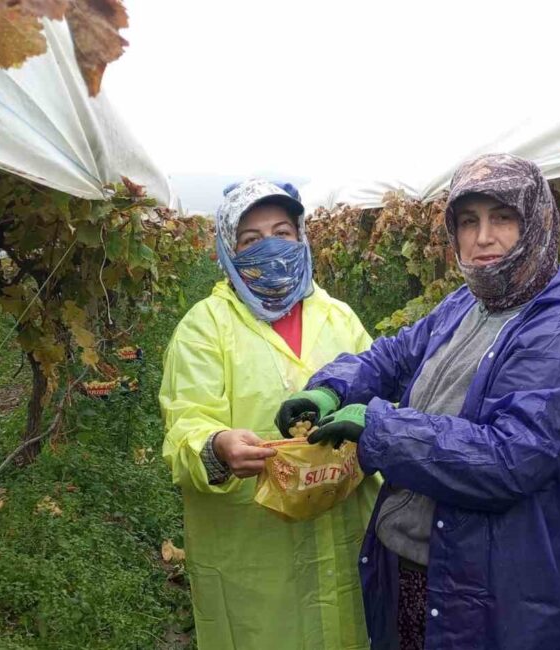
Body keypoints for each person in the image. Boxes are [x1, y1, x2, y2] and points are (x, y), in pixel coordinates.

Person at [276, 154, 560, 649]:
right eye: (469, 221)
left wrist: (379, 427)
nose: (482, 237)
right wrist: (332, 387)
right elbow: (396, 355)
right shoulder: (469, 302)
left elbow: (509, 458)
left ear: (537, 223)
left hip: (507, 587)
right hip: (429, 566)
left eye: (502, 218)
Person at [160, 179, 379, 650]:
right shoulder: (204, 327)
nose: (271, 249)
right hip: (253, 551)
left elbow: (384, 391)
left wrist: (368, 417)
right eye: (251, 240)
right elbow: (186, 424)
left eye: (283, 233)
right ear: (227, 250)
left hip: (343, 532)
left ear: (302, 237)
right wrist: (216, 447)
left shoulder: (340, 317)